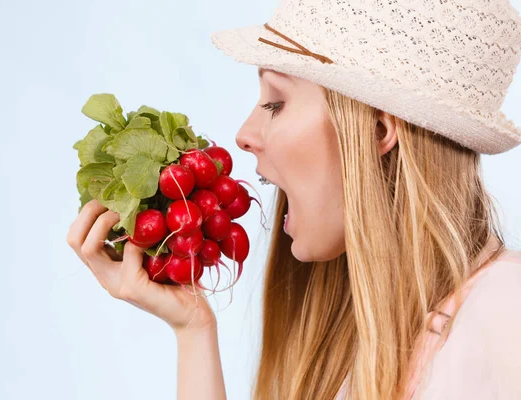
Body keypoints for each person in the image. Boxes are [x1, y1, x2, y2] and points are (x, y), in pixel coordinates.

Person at [67, 0, 521, 398]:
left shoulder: (505, 311)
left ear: (378, 131)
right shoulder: (366, 345)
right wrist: (193, 330)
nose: (244, 136)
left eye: (275, 103)